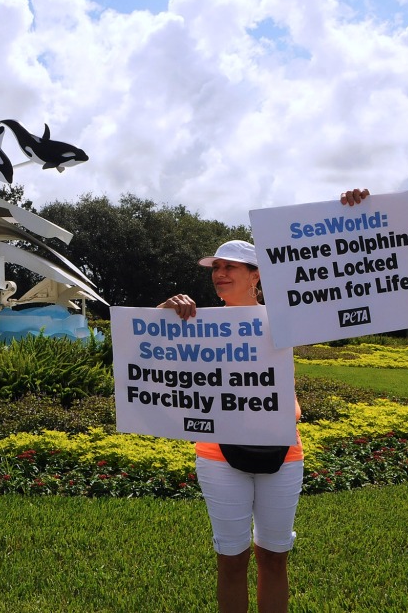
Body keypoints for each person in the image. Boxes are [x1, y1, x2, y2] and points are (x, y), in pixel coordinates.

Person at [158, 188, 369, 613]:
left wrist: (356, 213)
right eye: (215, 267)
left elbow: (343, 282)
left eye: (230, 266)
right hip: (217, 454)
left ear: (256, 274)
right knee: (231, 562)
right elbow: (144, 350)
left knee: (274, 558)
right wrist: (164, 310)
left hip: (283, 451)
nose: (219, 273)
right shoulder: (195, 321)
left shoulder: (287, 314)